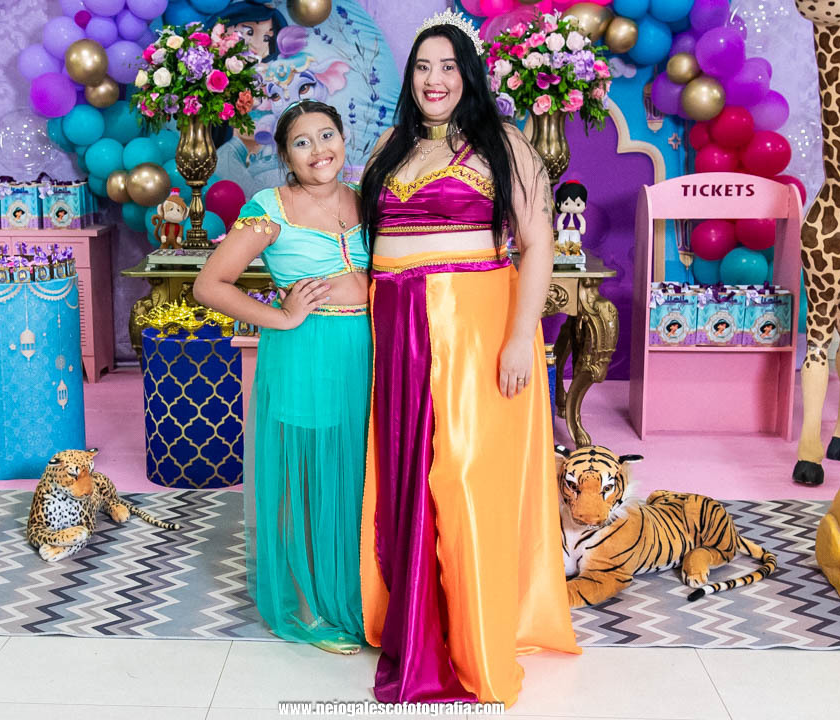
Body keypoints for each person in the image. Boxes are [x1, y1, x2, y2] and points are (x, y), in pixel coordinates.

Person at [357, 11, 581, 708]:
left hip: (473, 329)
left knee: (463, 476)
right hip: (396, 329)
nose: (435, 79)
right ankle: (416, 619)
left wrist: (520, 336)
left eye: (448, 66)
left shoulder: (505, 144)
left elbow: (538, 243)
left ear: (469, 75)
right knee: (405, 475)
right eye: (423, 67)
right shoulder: (388, 146)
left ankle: (474, 638)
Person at [194, 100, 370, 655]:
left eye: (327, 135)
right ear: (285, 156)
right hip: (305, 355)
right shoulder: (270, 209)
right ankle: (306, 606)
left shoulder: (366, 200)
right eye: (302, 142)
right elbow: (210, 285)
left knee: (354, 476)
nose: (319, 150)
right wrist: (284, 316)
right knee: (308, 476)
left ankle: (355, 595)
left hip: (366, 355)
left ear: (344, 139)